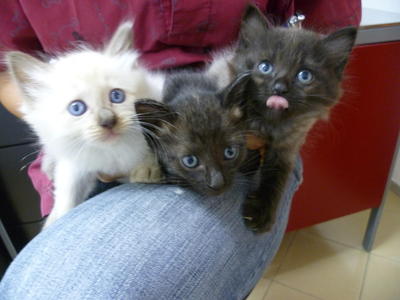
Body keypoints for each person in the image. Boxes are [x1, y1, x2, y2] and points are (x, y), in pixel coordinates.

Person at [0, 1, 360, 299]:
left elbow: (326, 46)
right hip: (104, 139)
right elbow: (9, 77)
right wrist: (63, 140)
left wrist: (280, 128)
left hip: (235, 131)